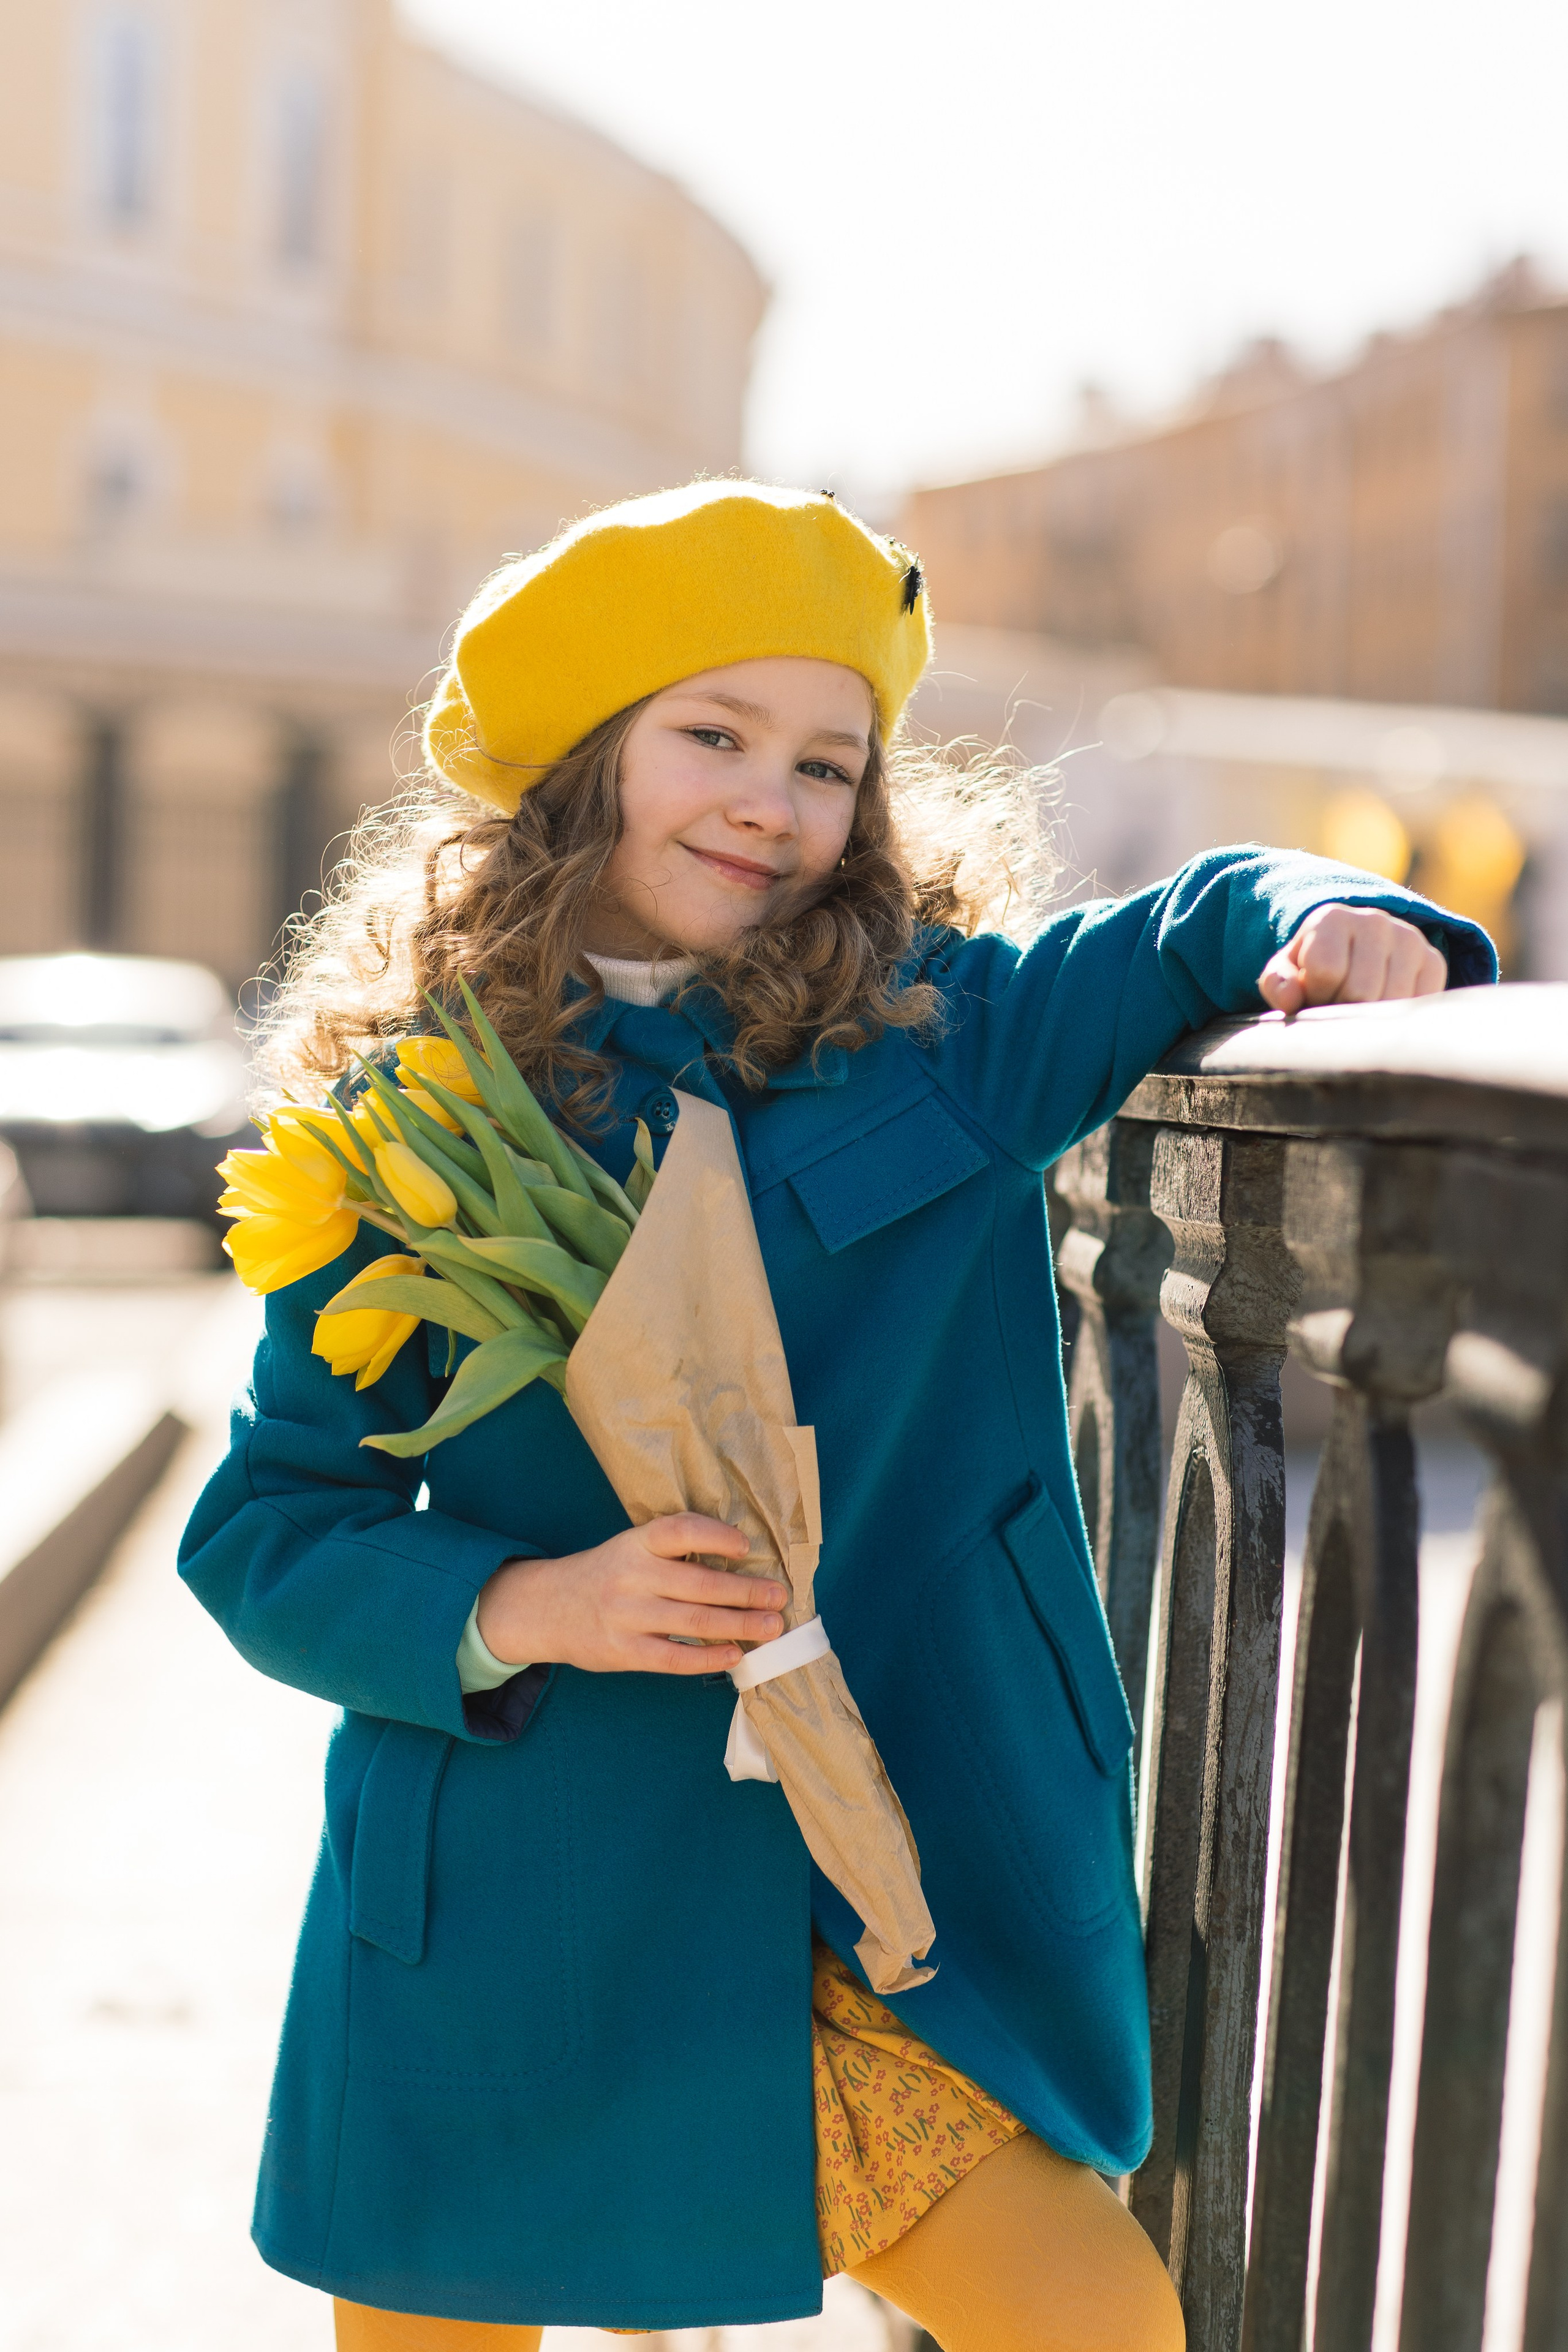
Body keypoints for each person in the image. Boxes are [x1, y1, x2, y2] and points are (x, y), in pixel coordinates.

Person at [179, 482, 1493, 2352]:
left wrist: (1341, 915)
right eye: (711, 736)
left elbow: (1198, 920)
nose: (769, 801)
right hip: (515, 1913)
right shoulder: (400, 1130)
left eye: (825, 762)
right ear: (580, 759)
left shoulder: (943, 1032)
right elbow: (269, 1529)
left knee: (1098, 2324)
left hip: (875, 1904)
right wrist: (530, 1606)